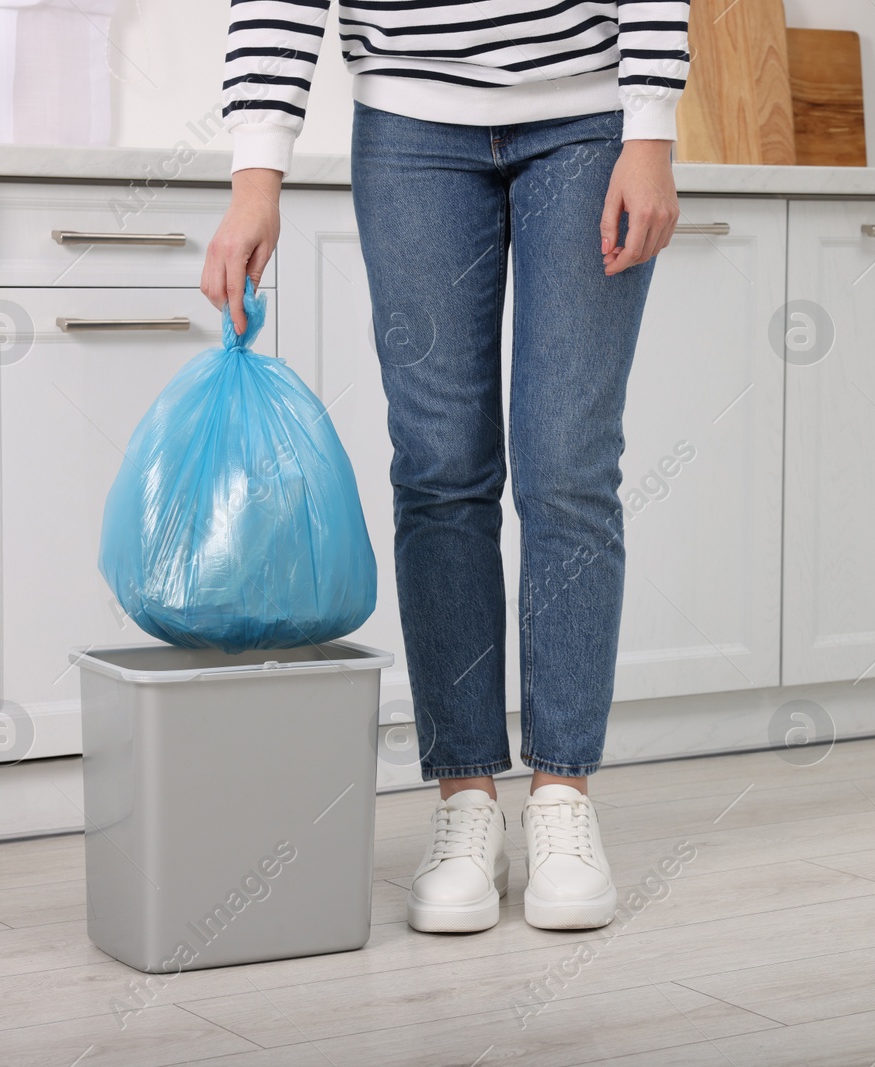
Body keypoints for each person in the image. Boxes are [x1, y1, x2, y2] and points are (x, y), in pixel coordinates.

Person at [200, 0, 689, 934]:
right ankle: (466, 799)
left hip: (591, 120)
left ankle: (561, 798)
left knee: (569, 467)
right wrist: (256, 173)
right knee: (439, 470)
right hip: (409, 127)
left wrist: (651, 125)